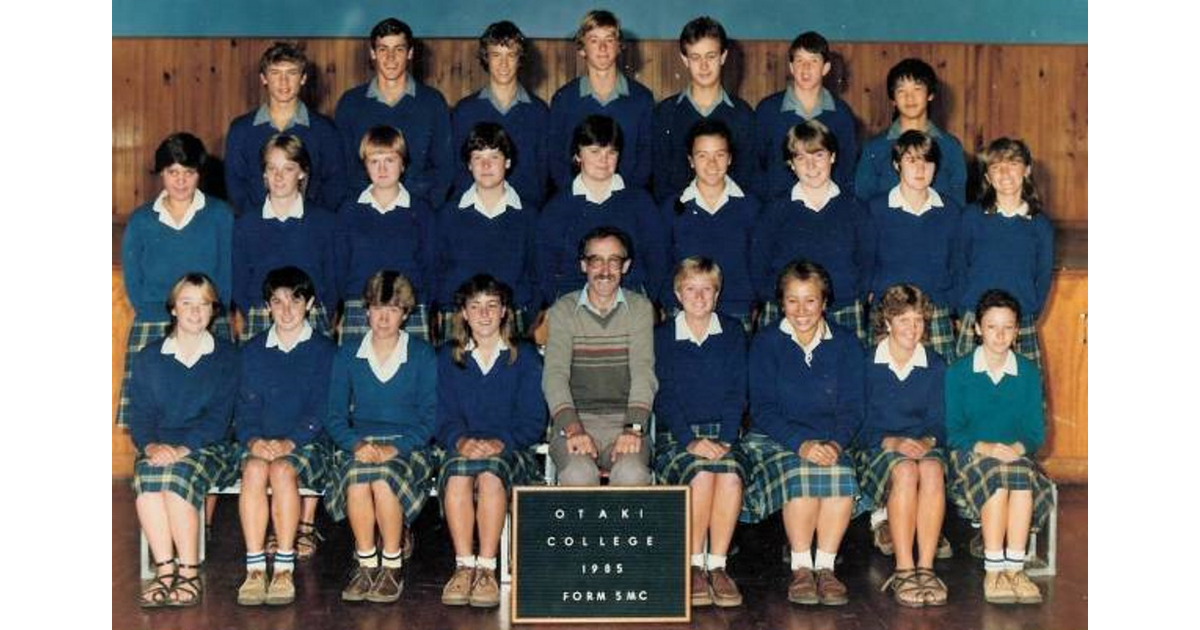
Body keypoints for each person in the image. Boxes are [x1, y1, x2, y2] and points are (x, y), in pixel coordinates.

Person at [741, 260, 863, 607]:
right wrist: (802, 444)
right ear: (781, 303)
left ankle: (825, 567)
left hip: (830, 438)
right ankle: (801, 568)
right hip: (777, 438)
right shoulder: (766, 342)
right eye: (792, 300)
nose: (801, 310)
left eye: (810, 300)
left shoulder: (846, 343)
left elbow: (853, 408)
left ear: (825, 302)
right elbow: (762, 409)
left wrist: (836, 444)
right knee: (802, 474)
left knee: (839, 473)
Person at [324, 271, 438, 604]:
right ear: (366, 311)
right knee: (359, 479)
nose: (384, 317)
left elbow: (429, 419)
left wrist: (396, 447)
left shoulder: (420, 354)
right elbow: (333, 415)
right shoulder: (347, 354)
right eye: (376, 308)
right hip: (360, 444)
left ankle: (392, 564)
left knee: (384, 479)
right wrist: (355, 444)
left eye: (393, 308)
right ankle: (366, 562)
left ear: (405, 313)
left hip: (408, 445)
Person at [128, 273, 238, 608]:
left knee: (176, 479)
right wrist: (150, 446)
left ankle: (189, 572)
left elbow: (219, 420)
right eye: (186, 303)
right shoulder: (149, 356)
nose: (194, 312)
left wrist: (181, 449)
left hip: (209, 445)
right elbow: (140, 417)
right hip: (160, 447)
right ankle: (165, 570)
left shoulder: (226, 357)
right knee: (148, 483)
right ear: (173, 309)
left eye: (203, 304)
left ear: (212, 311)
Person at [436, 275, 546, 608]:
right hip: (462, 446)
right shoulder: (448, 357)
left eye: (492, 306)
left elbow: (533, 420)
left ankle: (486, 568)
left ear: (504, 313)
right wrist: (460, 440)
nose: (484, 314)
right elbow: (441, 413)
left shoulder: (525, 357)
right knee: (458, 473)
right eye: (475, 307)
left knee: (489, 475)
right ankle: (464, 565)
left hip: (511, 450)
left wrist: (504, 442)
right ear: (464, 315)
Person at [233, 267, 337, 606]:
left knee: (281, 469)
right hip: (262, 440)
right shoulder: (252, 350)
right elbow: (243, 408)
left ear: (308, 304)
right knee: (253, 469)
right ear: (267, 307)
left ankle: (283, 566)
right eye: (277, 302)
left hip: (308, 442)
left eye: (295, 300)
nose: (287, 310)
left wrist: (290, 442)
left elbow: (322, 409)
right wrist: (252, 441)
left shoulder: (325, 350)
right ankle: (253, 569)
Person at [946, 289, 1054, 605]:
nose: (1000, 334)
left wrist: (1018, 448)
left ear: (1017, 330)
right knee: (997, 478)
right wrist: (988, 448)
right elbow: (953, 431)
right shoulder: (959, 372)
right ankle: (994, 570)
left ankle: (1015, 569)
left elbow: (1035, 431)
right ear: (978, 328)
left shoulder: (1027, 372)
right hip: (972, 453)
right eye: (992, 326)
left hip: (1013, 453)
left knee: (1018, 476)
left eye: (1008, 327)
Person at [119, 132, 233, 427]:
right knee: (152, 412)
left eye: (188, 172)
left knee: (208, 409)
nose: (180, 181)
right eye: (172, 172)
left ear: (199, 174)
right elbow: (134, 280)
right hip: (156, 322)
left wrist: (208, 317)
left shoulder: (220, 215)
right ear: (161, 174)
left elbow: (226, 275)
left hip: (205, 320)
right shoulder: (142, 220)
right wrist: (157, 314)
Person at [653, 258, 747, 608]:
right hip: (679, 435)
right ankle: (693, 565)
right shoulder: (662, 336)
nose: (699, 296)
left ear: (717, 294)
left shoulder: (733, 332)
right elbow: (663, 395)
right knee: (702, 476)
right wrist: (689, 440)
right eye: (690, 288)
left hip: (723, 433)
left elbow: (737, 391)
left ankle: (718, 566)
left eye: (707, 289)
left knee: (731, 477)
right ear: (678, 293)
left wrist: (724, 439)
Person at [543, 227, 658, 486]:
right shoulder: (563, 310)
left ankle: (622, 530)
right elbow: (554, 376)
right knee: (578, 474)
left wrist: (633, 428)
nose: (604, 270)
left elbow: (643, 373)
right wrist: (573, 429)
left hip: (626, 423)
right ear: (584, 265)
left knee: (632, 474)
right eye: (596, 260)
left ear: (626, 266)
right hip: (575, 423)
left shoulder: (640, 308)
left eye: (614, 261)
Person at [858, 284, 949, 607]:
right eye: (904, 320)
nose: (913, 328)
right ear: (887, 322)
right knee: (906, 472)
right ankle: (904, 568)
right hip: (879, 446)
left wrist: (927, 441)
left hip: (923, 444)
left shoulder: (935, 364)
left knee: (933, 469)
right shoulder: (867, 363)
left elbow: (940, 420)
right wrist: (892, 441)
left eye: (919, 320)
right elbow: (859, 422)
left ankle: (926, 567)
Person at [752, 120, 872, 345]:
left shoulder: (854, 208)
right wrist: (777, 300)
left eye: (818, 155)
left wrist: (852, 295)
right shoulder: (775, 210)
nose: (811, 166)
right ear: (791, 163)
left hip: (842, 310)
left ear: (832, 156)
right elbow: (758, 262)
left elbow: (868, 260)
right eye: (801, 158)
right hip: (789, 312)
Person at [536, 115, 669, 307]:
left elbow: (658, 259)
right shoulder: (557, 207)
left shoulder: (640, 202)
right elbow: (545, 270)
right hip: (575, 307)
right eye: (595, 151)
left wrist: (645, 302)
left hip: (629, 304)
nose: (603, 160)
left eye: (611, 152)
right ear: (577, 154)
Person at [954, 138, 1054, 366]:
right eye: (996, 167)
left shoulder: (1040, 224)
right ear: (988, 177)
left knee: (1020, 394)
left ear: (1027, 170)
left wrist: (1027, 312)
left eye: (1013, 164)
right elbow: (959, 265)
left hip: (1019, 319)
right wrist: (963, 310)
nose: (1005, 173)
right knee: (971, 393)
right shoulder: (972, 217)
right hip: (975, 317)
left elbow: (1043, 276)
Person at [864, 130, 961, 360]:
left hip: (935, 310)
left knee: (938, 385)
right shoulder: (875, 209)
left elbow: (958, 265)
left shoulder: (951, 211)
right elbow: (865, 261)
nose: (921, 169)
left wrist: (953, 307)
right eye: (911, 160)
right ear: (897, 164)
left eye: (928, 161)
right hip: (890, 311)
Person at [435, 122, 537, 341]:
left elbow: (536, 270)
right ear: (469, 165)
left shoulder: (527, 215)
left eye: (494, 157)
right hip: (460, 314)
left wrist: (528, 309)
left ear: (508, 162)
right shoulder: (449, 214)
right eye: (478, 158)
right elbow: (438, 268)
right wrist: (448, 307)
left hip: (511, 313)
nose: (486, 165)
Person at [334, 17, 453, 205]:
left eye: (399, 49)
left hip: (419, 213)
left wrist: (428, 209)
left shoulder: (432, 102)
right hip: (365, 211)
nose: (391, 58)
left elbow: (445, 167)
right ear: (373, 53)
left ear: (410, 53)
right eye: (383, 49)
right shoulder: (351, 103)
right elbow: (342, 168)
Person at [335, 126, 435, 347]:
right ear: (365, 165)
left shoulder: (421, 211)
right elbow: (340, 266)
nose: (382, 168)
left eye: (389, 160)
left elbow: (430, 266)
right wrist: (351, 303)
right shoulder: (349, 210)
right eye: (374, 161)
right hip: (361, 308)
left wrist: (418, 305)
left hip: (408, 310)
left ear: (403, 163)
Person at [232, 133, 337, 341]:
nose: (278, 176)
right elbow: (239, 280)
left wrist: (318, 311)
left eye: (288, 168)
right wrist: (257, 311)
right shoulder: (246, 223)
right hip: (262, 316)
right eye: (272, 168)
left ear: (302, 173)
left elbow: (333, 279)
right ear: (264, 173)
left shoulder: (325, 222)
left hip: (310, 315)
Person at [224, 41, 346, 216]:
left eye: (291, 73)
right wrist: (257, 219)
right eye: (275, 73)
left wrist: (313, 218)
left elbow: (335, 182)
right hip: (257, 228)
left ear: (303, 78)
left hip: (310, 228)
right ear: (263, 78)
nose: (283, 81)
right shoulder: (241, 130)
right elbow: (236, 184)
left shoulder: (325, 130)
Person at [663, 119, 760, 330]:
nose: (712, 164)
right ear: (690, 160)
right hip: (684, 309)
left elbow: (758, 261)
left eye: (720, 155)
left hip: (736, 308)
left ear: (730, 158)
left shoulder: (750, 207)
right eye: (702, 156)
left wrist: (752, 302)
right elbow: (662, 261)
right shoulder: (673, 207)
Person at [651, 16, 755, 204]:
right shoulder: (665, 114)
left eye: (711, 56)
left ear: (723, 56)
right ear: (684, 59)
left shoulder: (743, 114)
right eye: (695, 57)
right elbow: (660, 183)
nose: (704, 66)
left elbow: (748, 180)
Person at [548, 9, 654, 192]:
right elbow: (556, 158)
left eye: (609, 39)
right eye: (594, 40)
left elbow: (647, 156)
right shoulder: (564, 99)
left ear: (619, 45)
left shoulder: (641, 98)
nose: (603, 48)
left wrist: (626, 195)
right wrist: (576, 193)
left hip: (626, 199)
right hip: (577, 201)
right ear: (582, 49)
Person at [451, 20, 549, 209]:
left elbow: (542, 173)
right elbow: (458, 168)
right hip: (476, 210)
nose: (503, 63)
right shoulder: (465, 111)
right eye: (496, 55)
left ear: (520, 59)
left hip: (525, 212)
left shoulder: (539, 112)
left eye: (511, 55)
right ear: (486, 58)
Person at [754, 31, 858, 201]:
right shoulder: (768, 110)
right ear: (791, 66)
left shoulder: (841, 114)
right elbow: (757, 165)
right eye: (800, 60)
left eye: (813, 61)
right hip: (778, 209)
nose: (806, 68)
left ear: (825, 68)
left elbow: (846, 170)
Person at [854, 58, 967, 205]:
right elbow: (863, 201)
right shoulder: (874, 148)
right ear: (893, 99)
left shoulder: (950, 146)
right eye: (901, 91)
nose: (909, 97)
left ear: (930, 95)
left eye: (917, 89)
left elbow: (958, 202)